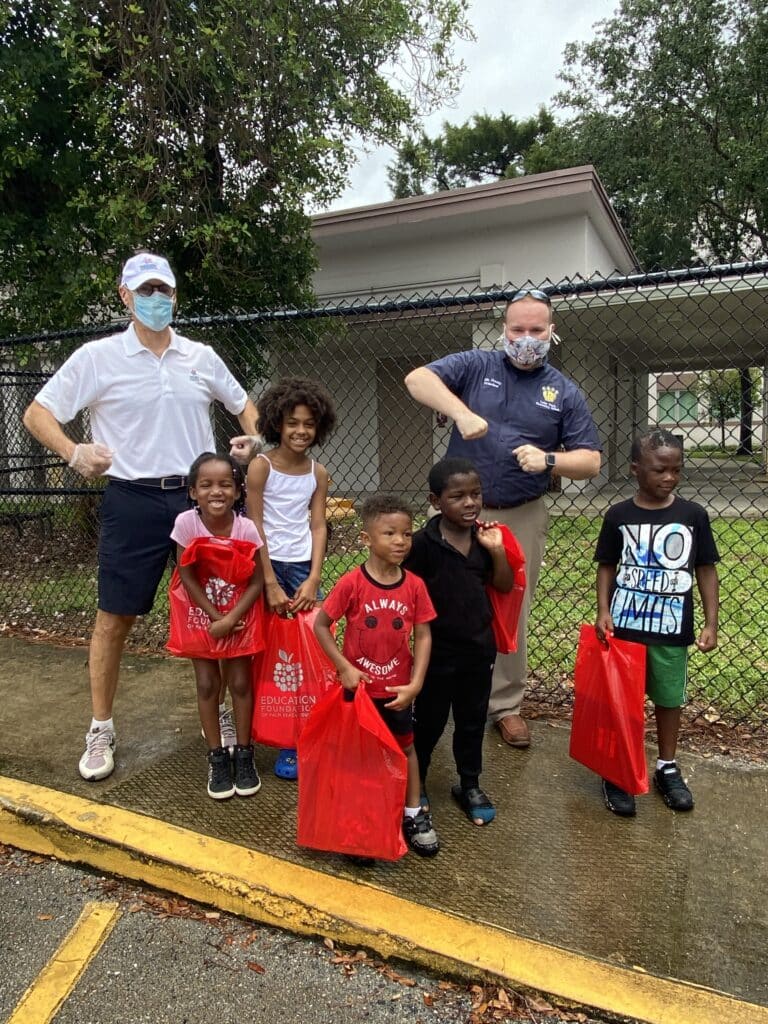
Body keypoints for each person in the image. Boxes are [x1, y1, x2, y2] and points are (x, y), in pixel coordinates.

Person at [22, 252, 259, 781]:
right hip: (132, 498)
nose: (158, 300)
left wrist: (255, 436)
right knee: (116, 616)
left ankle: (220, 715)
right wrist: (73, 452)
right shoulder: (97, 357)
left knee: (217, 608)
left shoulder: (199, 355)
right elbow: (37, 413)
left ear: (175, 296)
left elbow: (245, 404)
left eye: (165, 291)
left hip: (203, 502)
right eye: (146, 291)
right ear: (125, 296)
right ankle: (101, 726)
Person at [404, 288, 602, 749]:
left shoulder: (564, 391)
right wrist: (460, 412)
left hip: (521, 515)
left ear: (552, 332)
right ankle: (430, 688)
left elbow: (590, 461)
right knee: (437, 601)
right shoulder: (476, 365)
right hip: (458, 514)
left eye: (537, 330)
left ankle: (504, 706)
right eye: (518, 329)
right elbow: (417, 380)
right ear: (504, 330)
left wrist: (550, 460)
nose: (527, 338)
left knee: (510, 607)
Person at [594, 429, 719, 816]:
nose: (669, 478)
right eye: (660, 469)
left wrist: (711, 621)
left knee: (668, 700)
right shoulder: (618, 515)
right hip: (625, 632)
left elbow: (705, 569)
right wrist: (603, 610)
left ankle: (666, 766)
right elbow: (607, 566)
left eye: (676, 470)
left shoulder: (692, 515)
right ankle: (618, 769)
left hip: (670, 631)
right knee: (624, 703)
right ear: (635, 469)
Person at [314, 494, 440, 857]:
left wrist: (416, 683)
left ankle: (413, 812)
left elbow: (424, 634)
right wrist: (344, 666)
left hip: (397, 692)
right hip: (359, 693)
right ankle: (360, 816)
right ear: (366, 539)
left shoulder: (414, 585)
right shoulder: (352, 584)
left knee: (405, 748)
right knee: (357, 755)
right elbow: (322, 625)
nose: (401, 541)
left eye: (407, 533)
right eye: (390, 533)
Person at [404, 457, 514, 826]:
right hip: (435, 653)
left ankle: (469, 784)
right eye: (458, 496)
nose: (470, 503)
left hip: (477, 650)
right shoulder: (421, 545)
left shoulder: (485, 539)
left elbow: (502, 584)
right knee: (429, 722)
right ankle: (414, 785)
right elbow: (405, 592)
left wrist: (497, 550)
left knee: (472, 721)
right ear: (436, 501)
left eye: (476, 494)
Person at [245, 377, 336, 781]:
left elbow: (318, 526)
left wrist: (313, 577)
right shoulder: (260, 467)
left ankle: (293, 739)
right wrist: (268, 581)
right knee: (259, 649)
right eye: (292, 423)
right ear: (276, 425)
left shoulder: (319, 473)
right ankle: (250, 724)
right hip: (264, 565)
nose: (301, 431)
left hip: (300, 566)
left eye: (309, 424)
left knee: (299, 655)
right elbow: (254, 525)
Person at [170, 453, 264, 799]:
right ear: (193, 491)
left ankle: (243, 753)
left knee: (240, 682)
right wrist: (214, 617)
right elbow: (185, 573)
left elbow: (255, 582)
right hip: (201, 616)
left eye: (225, 484)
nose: (216, 491)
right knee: (208, 683)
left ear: (238, 491)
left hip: (239, 617)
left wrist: (230, 618)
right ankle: (217, 757)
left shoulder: (245, 528)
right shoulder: (185, 524)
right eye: (206, 484)